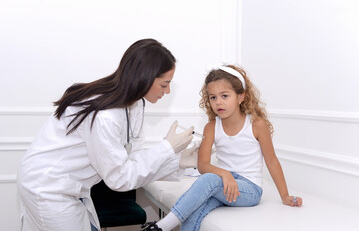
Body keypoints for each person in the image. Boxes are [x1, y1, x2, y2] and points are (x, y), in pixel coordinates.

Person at [17, 38, 199, 231]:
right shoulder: (106, 115)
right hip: (48, 187)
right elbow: (119, 179)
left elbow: (132, 161)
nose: (168, 91)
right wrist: (167, 148)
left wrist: (175, 161)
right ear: (145, 76)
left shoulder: (134, 105)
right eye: (164, 84)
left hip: (70, 188)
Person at [141, 64, 303, 231]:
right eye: (213, 97)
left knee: (208, 180)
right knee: (195, 211)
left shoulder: (256, 125)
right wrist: (225, 174)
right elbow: (203, 165)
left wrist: (285, 195)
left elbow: (272, 161)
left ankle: (161, 227)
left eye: (224, 96)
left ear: (241, 97)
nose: (218, 102)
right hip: (224, 184)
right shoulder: (211, 127)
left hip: (249, 189)